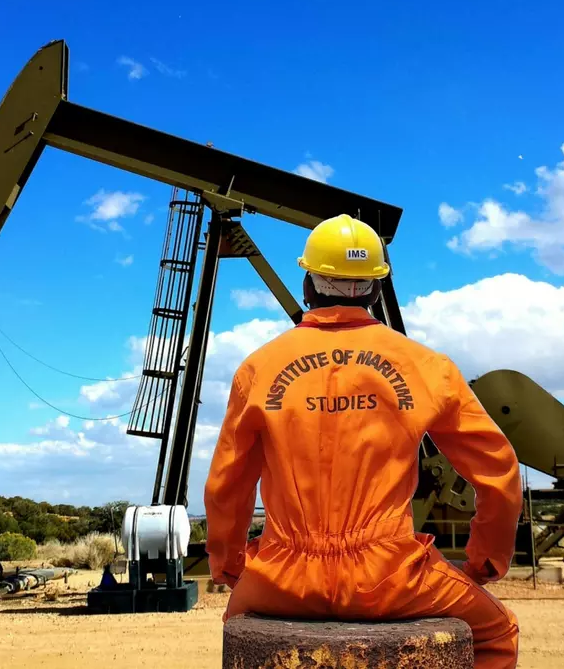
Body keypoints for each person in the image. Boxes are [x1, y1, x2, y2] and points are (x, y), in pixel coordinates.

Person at [203, 214, 523, 668]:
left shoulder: (259, 368)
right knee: (496, 632)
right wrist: (486, 559)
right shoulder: (425, 366)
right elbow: (498, 468)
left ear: (308, 285)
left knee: (238, 630)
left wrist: (230, 565)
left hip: (281, 576)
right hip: (389, 576)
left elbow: (226, 483)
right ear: (375, 290)